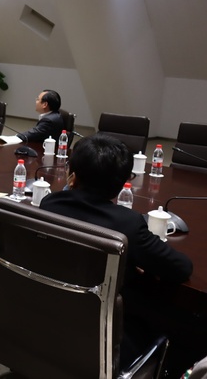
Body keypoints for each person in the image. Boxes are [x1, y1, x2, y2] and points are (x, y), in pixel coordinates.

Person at [39, 133, 193, 371]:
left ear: (73, 174)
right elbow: (181, 268)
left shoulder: (49, 204)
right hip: (106, 330)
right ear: (122, 185)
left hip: (49, 315)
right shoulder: (128, 224)